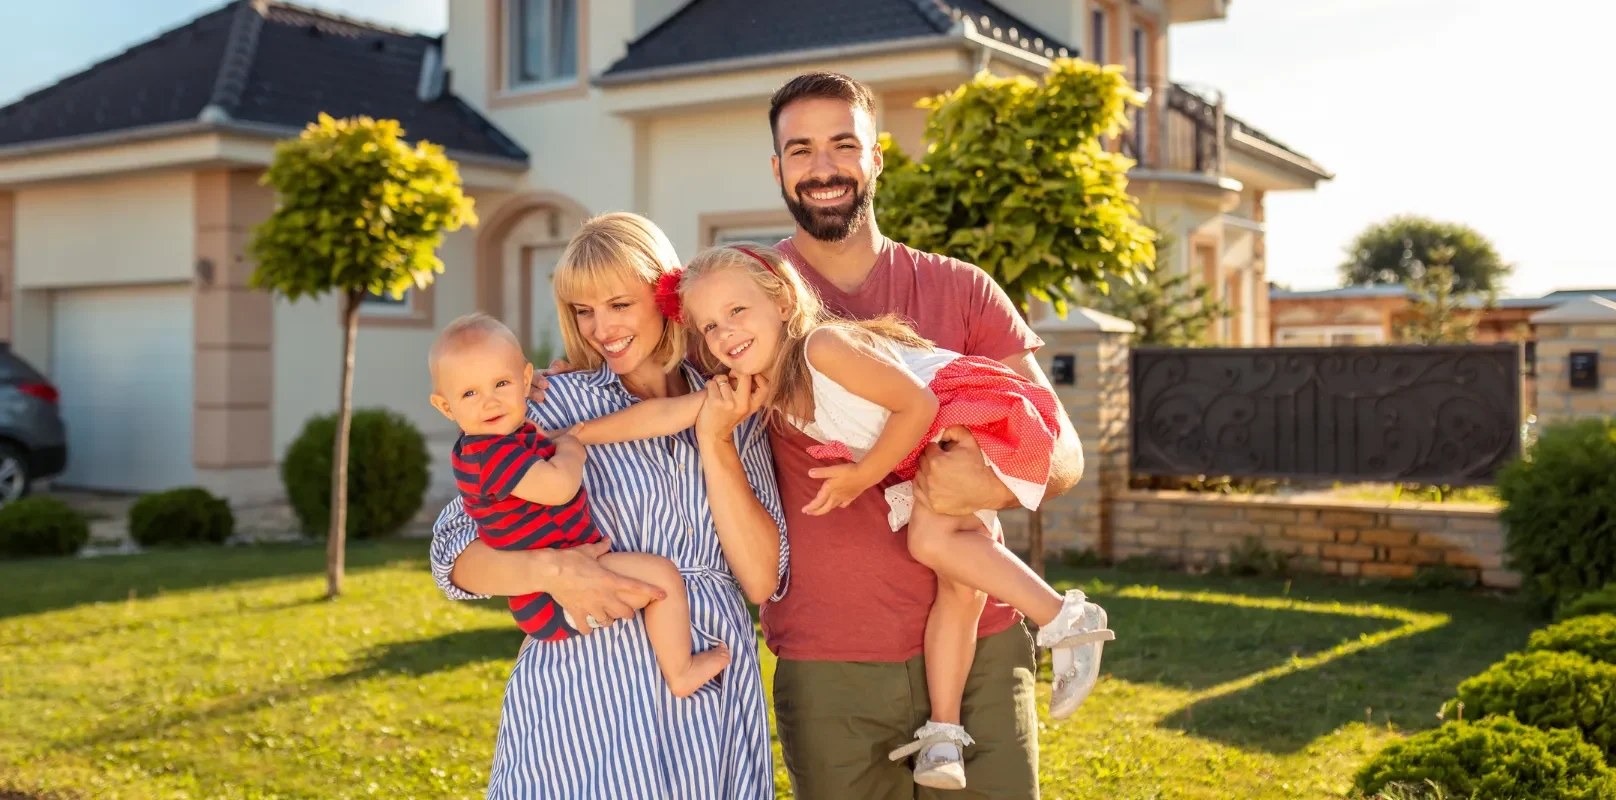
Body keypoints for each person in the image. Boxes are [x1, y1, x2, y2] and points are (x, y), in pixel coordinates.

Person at [657, 243, 1115, 790]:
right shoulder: (767, 382)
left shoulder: (823, 346)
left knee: (934, 546)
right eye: (709, 327)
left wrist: (861, 475)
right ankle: (944, 734)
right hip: (926, 451)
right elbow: (666, 407)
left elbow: (923, 406)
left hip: (968, 413)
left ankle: (1065, 620)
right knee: (955, 577)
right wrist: (572, 417)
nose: (724, 332)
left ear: (782, 302)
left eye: (736, 312)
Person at [760, 72, 1088, 799]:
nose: (823, 167)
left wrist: (987, 482)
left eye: (844, 144)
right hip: (830, 659)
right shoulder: (749, 298)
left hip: (985, 641)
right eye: (802, 149)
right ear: (778, 168)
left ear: (877, 158)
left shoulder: (960, 288)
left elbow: (1061, 446)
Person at [427, 212, 787, 799]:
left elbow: (761, 580)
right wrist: (549, 570)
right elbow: (452, 555)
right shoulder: (550, 401)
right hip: (591, 689)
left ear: (665, 294)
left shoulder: (731, 400)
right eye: (582, 311)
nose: (601, 329)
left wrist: (717, 439)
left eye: (619, 304)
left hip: (712, 677)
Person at [426, 311, 730, 698]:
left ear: (524, 379)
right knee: (662, 578)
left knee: (654, 582)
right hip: (549, 598)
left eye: (501, 383)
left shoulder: (511, 436)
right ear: (446, 407)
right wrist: (570, 449)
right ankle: (681, 671)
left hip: (564, 578)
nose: (489, 402)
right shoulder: (486, 452)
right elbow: (557, 488)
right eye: (470, 393)